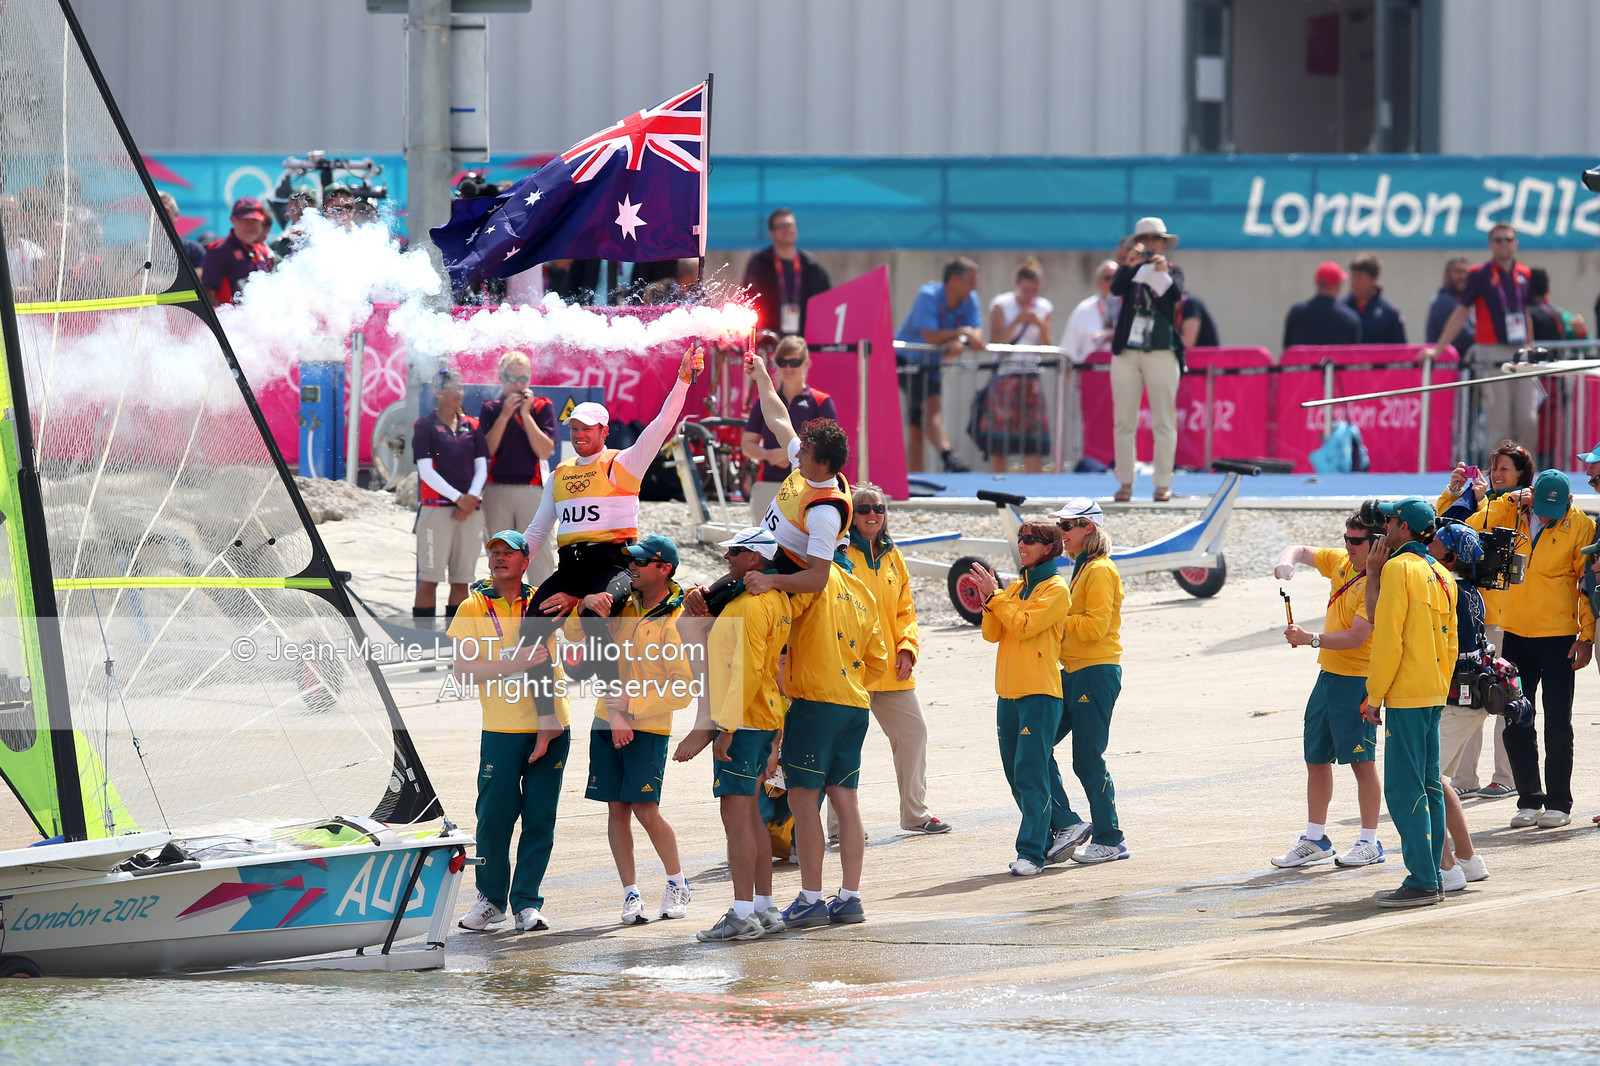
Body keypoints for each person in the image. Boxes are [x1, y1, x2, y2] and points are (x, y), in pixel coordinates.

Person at [516, 342, 703, 731]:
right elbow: (537, 531)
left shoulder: (623, 463)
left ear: (603, 430)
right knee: (531, 628)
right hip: (570, 567)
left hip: (612, 563)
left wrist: (683, 380)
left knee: (593, 611)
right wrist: (513, 565)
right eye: (574, 428)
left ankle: (616, 708)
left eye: (587, 428)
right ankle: (547, 719)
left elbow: (661, 425)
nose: (579, 433)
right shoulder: (559, 474)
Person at [449, 530, 570, 933]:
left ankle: (527, 903)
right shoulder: (473, 606)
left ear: (525, 561)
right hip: (500, 728)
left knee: (539, 818)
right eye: (493, 552)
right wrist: (512, 663)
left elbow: (578, 646)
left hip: (551, 725)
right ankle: (490, 901)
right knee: (494, 818)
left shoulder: (545, 602)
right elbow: (463, 670)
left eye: (508, 553)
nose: (499, 558)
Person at [677, 527, 793, 942]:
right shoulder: (777, 599)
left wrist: (722, 729)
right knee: (752, 818)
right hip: (762, 716)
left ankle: (743, 913)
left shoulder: (747, 606)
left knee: (737, 819)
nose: (727, 558)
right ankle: (765, 908)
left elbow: (741, 671)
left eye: (735, 553)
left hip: (742, 721)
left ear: (755, 560)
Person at [582, 534, 695, 927]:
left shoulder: (677, 617)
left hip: (647, 727)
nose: (632, 567)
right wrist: (584, 605)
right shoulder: (619, 602)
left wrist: (632, 707)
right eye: (632, 560)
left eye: (641, 562)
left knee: (646, 810)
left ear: (664, 569)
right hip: (604, 717)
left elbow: (683, 688)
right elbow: (582, 643)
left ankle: (677, 882)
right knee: (617, 809)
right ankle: (630, 893)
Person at [1267, 507, 1386, 870]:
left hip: (1358, 681)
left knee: (1362, 763)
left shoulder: (1377, 583)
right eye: (1345, 539)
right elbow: (1301, 550)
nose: (1347, 546)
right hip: (1329, 677)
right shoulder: (1342, 563)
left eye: (1355, 541)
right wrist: (1287, 563)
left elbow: (1357, 635)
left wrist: (1310, 638)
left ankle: (1370, 841)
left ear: (1376, 544)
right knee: (1315, 757)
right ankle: (1316, 838)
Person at [1480, 469, 1594, 830]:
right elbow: (1471, 524)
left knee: (1558, 722)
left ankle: (1559, 802)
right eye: (1542, 507)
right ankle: (1529, 798)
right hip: (1515, 633)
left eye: (1554, 509)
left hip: (1560, 636)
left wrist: (1586, 636)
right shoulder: (1512, 513)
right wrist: (1506, 500)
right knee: (1514, 716)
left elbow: (1586, 584)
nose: (1547, 515)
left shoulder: (1579, 526)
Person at [1360, 497, 1456, 907]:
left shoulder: (1400, 569)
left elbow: (1387, 638)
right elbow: (1450, 643)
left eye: (1391, 522)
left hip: (1406, 694)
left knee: (1403, 787)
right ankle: (1431, 875)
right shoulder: (1440, 571)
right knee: (1430, 784)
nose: (1385, 528)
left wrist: (1373, 695)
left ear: (1404, 528)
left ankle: (1421, 879)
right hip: (1433, 689)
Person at [839, 485, 949, 835]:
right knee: (841, 745)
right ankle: (841, 826)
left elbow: (906, 610)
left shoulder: (893, 555)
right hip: (847, 667)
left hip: (891, 668)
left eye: (880, 509)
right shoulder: (838, 551)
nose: (873, 514)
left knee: (914, 732)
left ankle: (915, 814)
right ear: (851, 516)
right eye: (864, 508)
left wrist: (907, 648)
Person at [969, 521, 1071, 876]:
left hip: (1040, 694)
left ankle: (1032, 852)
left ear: (1050, 547)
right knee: (1016, 774)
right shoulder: (1015, 587)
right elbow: (992, 633)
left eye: (1031, 540)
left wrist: (997, 597)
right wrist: (989, 598)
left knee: (1030, 773)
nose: (1023, 544)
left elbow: (1026, 626)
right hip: (1008, 694)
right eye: (1021, 539)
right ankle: (1054, 832)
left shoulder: (1056, 589)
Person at [1434, 441, 1533, 798]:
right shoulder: (1488, 502)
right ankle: (1463, 779)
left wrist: (1490, 500)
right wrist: (1456, 492)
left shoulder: (1521, 505)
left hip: (1503, 615)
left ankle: (1504, 776)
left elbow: (1474, 531)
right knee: (1467, 697)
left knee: (1498, 695)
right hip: (1474, 615)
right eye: (1493, 469)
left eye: (1504, 469)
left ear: (1522, 473)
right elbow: (1447, 530)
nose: (1496, 475)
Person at [1045, 498, 1130, 865]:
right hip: (1076, 670)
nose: (1060, 533)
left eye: (1066, 526)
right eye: (1060, 526)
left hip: (1095, 670)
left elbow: (1095, 627)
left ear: (1087, 529)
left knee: (1087, 758)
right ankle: (1068, 822)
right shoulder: (1082, 568)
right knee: (1034, 747)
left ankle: (1110, 838)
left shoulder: (1098, 570)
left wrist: (1053, 618)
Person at [1419, 224, 1537, 455]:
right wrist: (1438, 349)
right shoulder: (1479, 274)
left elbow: (1525, 313)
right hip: (1491, 351)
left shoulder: (1524, 273)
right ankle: (1499, 477)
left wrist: (1530, 346)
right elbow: (1462, 312)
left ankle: (1526, 474)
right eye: (1498, 240)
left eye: (1508, 239)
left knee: (1528, 418)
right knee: (1500, 420)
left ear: (1516, 243)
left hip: (1520, 351)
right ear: (1490, 245)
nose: (1503, 244)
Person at [1428, 521, 1491, 892]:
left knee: (1424, 779)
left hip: (1457, 697)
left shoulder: (1446, 589)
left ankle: (1447, 869)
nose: (1429, 544)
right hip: (1476, 696)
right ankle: (1468, 860)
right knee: (1439, 779)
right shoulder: (1472, 590)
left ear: (1450, 556)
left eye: (1435, 542)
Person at [1109, 217, 1185, 502]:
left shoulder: (1173, 272)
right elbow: (1116, 289)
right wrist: (1130, 265)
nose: (1150, 245)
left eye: (1156, 239)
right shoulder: (1128, 271)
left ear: (1163, 244)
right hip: (1128, 352)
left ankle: (1162, 482)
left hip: (1161, 350)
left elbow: (1175, 297)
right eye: (1145, 239)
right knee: (1124, 420)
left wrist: (1161, 272)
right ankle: (1125, 481)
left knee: (1164, 419)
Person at [412, 370, 487, 625]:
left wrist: (470, 500)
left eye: (461, 387)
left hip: (470, 511)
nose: (459, 393)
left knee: (461, 581)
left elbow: (482, 468)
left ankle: (453, 642)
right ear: (437, 391)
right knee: (429, 579)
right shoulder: (425, 426)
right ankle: (421, 641)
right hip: (437, 510)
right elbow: (426, 471)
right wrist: (459, 498)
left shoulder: (473, 426)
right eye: (453, 388)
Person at [479, 351, 558, 586]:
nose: (518, 385)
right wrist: (505, 416)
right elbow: (487, 451)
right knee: (500, 558)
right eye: (512, 379)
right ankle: (502, 613)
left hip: (532, 489)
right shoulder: (491, 408)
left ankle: (541, 616)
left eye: (523, 379)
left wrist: (525, 415)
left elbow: (544, 451)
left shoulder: (542, 407)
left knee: (539, 558)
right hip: (497, 489)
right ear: (501, 379)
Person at [896, 258, 981, 473]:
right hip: (907, 361)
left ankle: (915, 476)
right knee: (932, 404)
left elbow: (977, 337)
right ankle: (948, 454)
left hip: (930, 365)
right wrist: (961, 334)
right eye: (970, 281)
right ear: (954, 280)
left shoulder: (970, 298)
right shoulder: (929, 295)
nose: (974, 287)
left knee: (916, 425)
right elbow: (930, 335)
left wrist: (960, 341)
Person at [741, 336, 838, 524]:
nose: (788, 368)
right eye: (782, 362)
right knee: (765, 545)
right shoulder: (764, 401)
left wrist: (795, 454)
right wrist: (768, 454)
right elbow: (747, 445)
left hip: (807, 485)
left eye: (794, 362)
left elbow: (831, 449)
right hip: (769, 482)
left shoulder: (821, 401)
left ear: (806, 363)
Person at [979, 259, 1054, 473]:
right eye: (1026, 290)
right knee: (1000, 442)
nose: (1030, 296)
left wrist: (1039, 324)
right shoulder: (1001, 305)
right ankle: (997, 484)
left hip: (1031, 376)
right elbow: (996, 344)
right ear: (1017, 285)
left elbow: (1047, 346)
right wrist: (1017, 321)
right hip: (1006, 376)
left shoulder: (1044, 307)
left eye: (1034, 291)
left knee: (1034, 440)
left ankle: (1033, 486)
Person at [741, 208, 832, 337]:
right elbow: (749, 298)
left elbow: (825, 300)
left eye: (791, 225)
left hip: (803, 341)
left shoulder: (810, 264)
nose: (788, 230)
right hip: (769, 338)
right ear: (772, 232)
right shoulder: (760, 263)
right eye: (782, 226)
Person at [199, 196, 272, 306]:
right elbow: (207, 294)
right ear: (233, 220)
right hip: (232, 320)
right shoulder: (219, 251)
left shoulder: (263, 251)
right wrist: (227, 319)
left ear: (262, 222)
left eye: (254, 220)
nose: (250, 225)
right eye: (245, 220)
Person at [1283, 262, 1362, 348]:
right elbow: (1354, 356)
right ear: (1338, 285)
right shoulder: (1349, 318)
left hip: (1303, 362)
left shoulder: (1296, 313)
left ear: (1317, 282)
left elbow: (1287, 350)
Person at [1062, 259, 1118, 364]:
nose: (1112, 282)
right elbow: (1068, 353)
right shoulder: (1083, 310)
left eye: (1116, 278)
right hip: (1090, 376)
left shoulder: (1132, 308)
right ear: (1098, 282)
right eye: (1107, 278)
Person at [1343, 254, 1406, 344]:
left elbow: (1400, 350)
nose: (1354, 283)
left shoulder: (1389, 312)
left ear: (1374, 279)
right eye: (1353, 278)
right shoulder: (1341, 308)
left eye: (1359, 278)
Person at [1426, 257, 1476, 356]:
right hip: (1446, 367)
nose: (1463, 276)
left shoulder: (1461, 302)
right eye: (1458, 272)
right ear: (1446, 275)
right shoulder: (1443, 301)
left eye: (1466, 272)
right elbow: (1462, 338)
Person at [1528, 268, 1589, 342]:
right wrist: (1581, 333)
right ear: (1548, 289)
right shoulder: (1560, 316)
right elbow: (1583, 346)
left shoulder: (1519, 316)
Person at [156, 191, 205, 272]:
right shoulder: (136, 251)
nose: (159, 215)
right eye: (154, 210)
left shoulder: (194, 251)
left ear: (176, 215)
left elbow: (202, 280)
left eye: (165, 211)